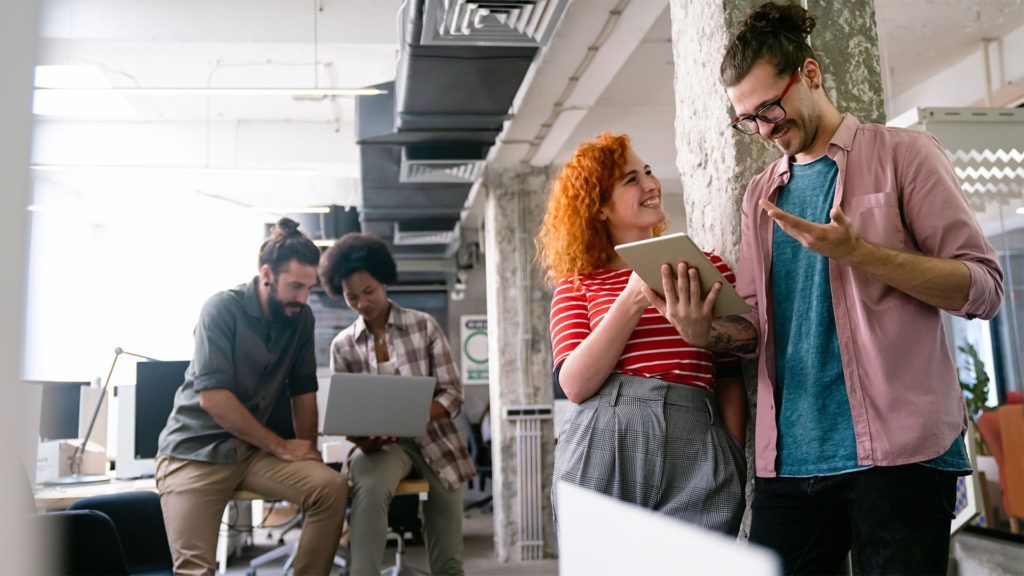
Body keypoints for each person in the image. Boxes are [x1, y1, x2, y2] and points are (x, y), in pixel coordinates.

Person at [650, 3, 1004, 574]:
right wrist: (705, 331)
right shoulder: (761, 195)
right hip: (790, 464)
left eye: (770, 107)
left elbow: (984, 288)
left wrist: (861, 254)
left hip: (901, 457)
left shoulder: (904, 156)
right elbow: (757, 326)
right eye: (747, 119)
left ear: (810, 75)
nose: (764, 129)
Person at [537, 132, 747, 535]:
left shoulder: (706, 267)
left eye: (648, 172)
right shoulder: (578, 285)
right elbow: (575, 384)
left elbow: (731, 375)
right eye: (631, 179)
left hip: (698, 436)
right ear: (598, 208)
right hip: (605, 434)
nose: (651, 185)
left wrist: (733, 459)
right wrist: (633, 297)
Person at [156, 218, 347, 576]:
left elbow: (303, 390)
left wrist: (306, 450)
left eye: (310, 288)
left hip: (253, 454)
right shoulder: (221, 309)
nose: (304, 299)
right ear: (266, 274)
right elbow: (214, 398)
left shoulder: (301, 319)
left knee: (331, 488)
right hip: (195, 453)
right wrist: (282, 446)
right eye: (296, 287)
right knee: (195, 570)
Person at [319, 232, 475, 576]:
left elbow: (452, 394)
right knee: (370, 490)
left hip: (436, 442)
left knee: (448, 545)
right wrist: (360, 437)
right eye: (351, 297)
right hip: (380, 448)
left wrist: (407, 416)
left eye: (368, 291)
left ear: (384, 281)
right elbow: (346, 413)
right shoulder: (342, 346)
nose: (362, 303)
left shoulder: (423, 326)